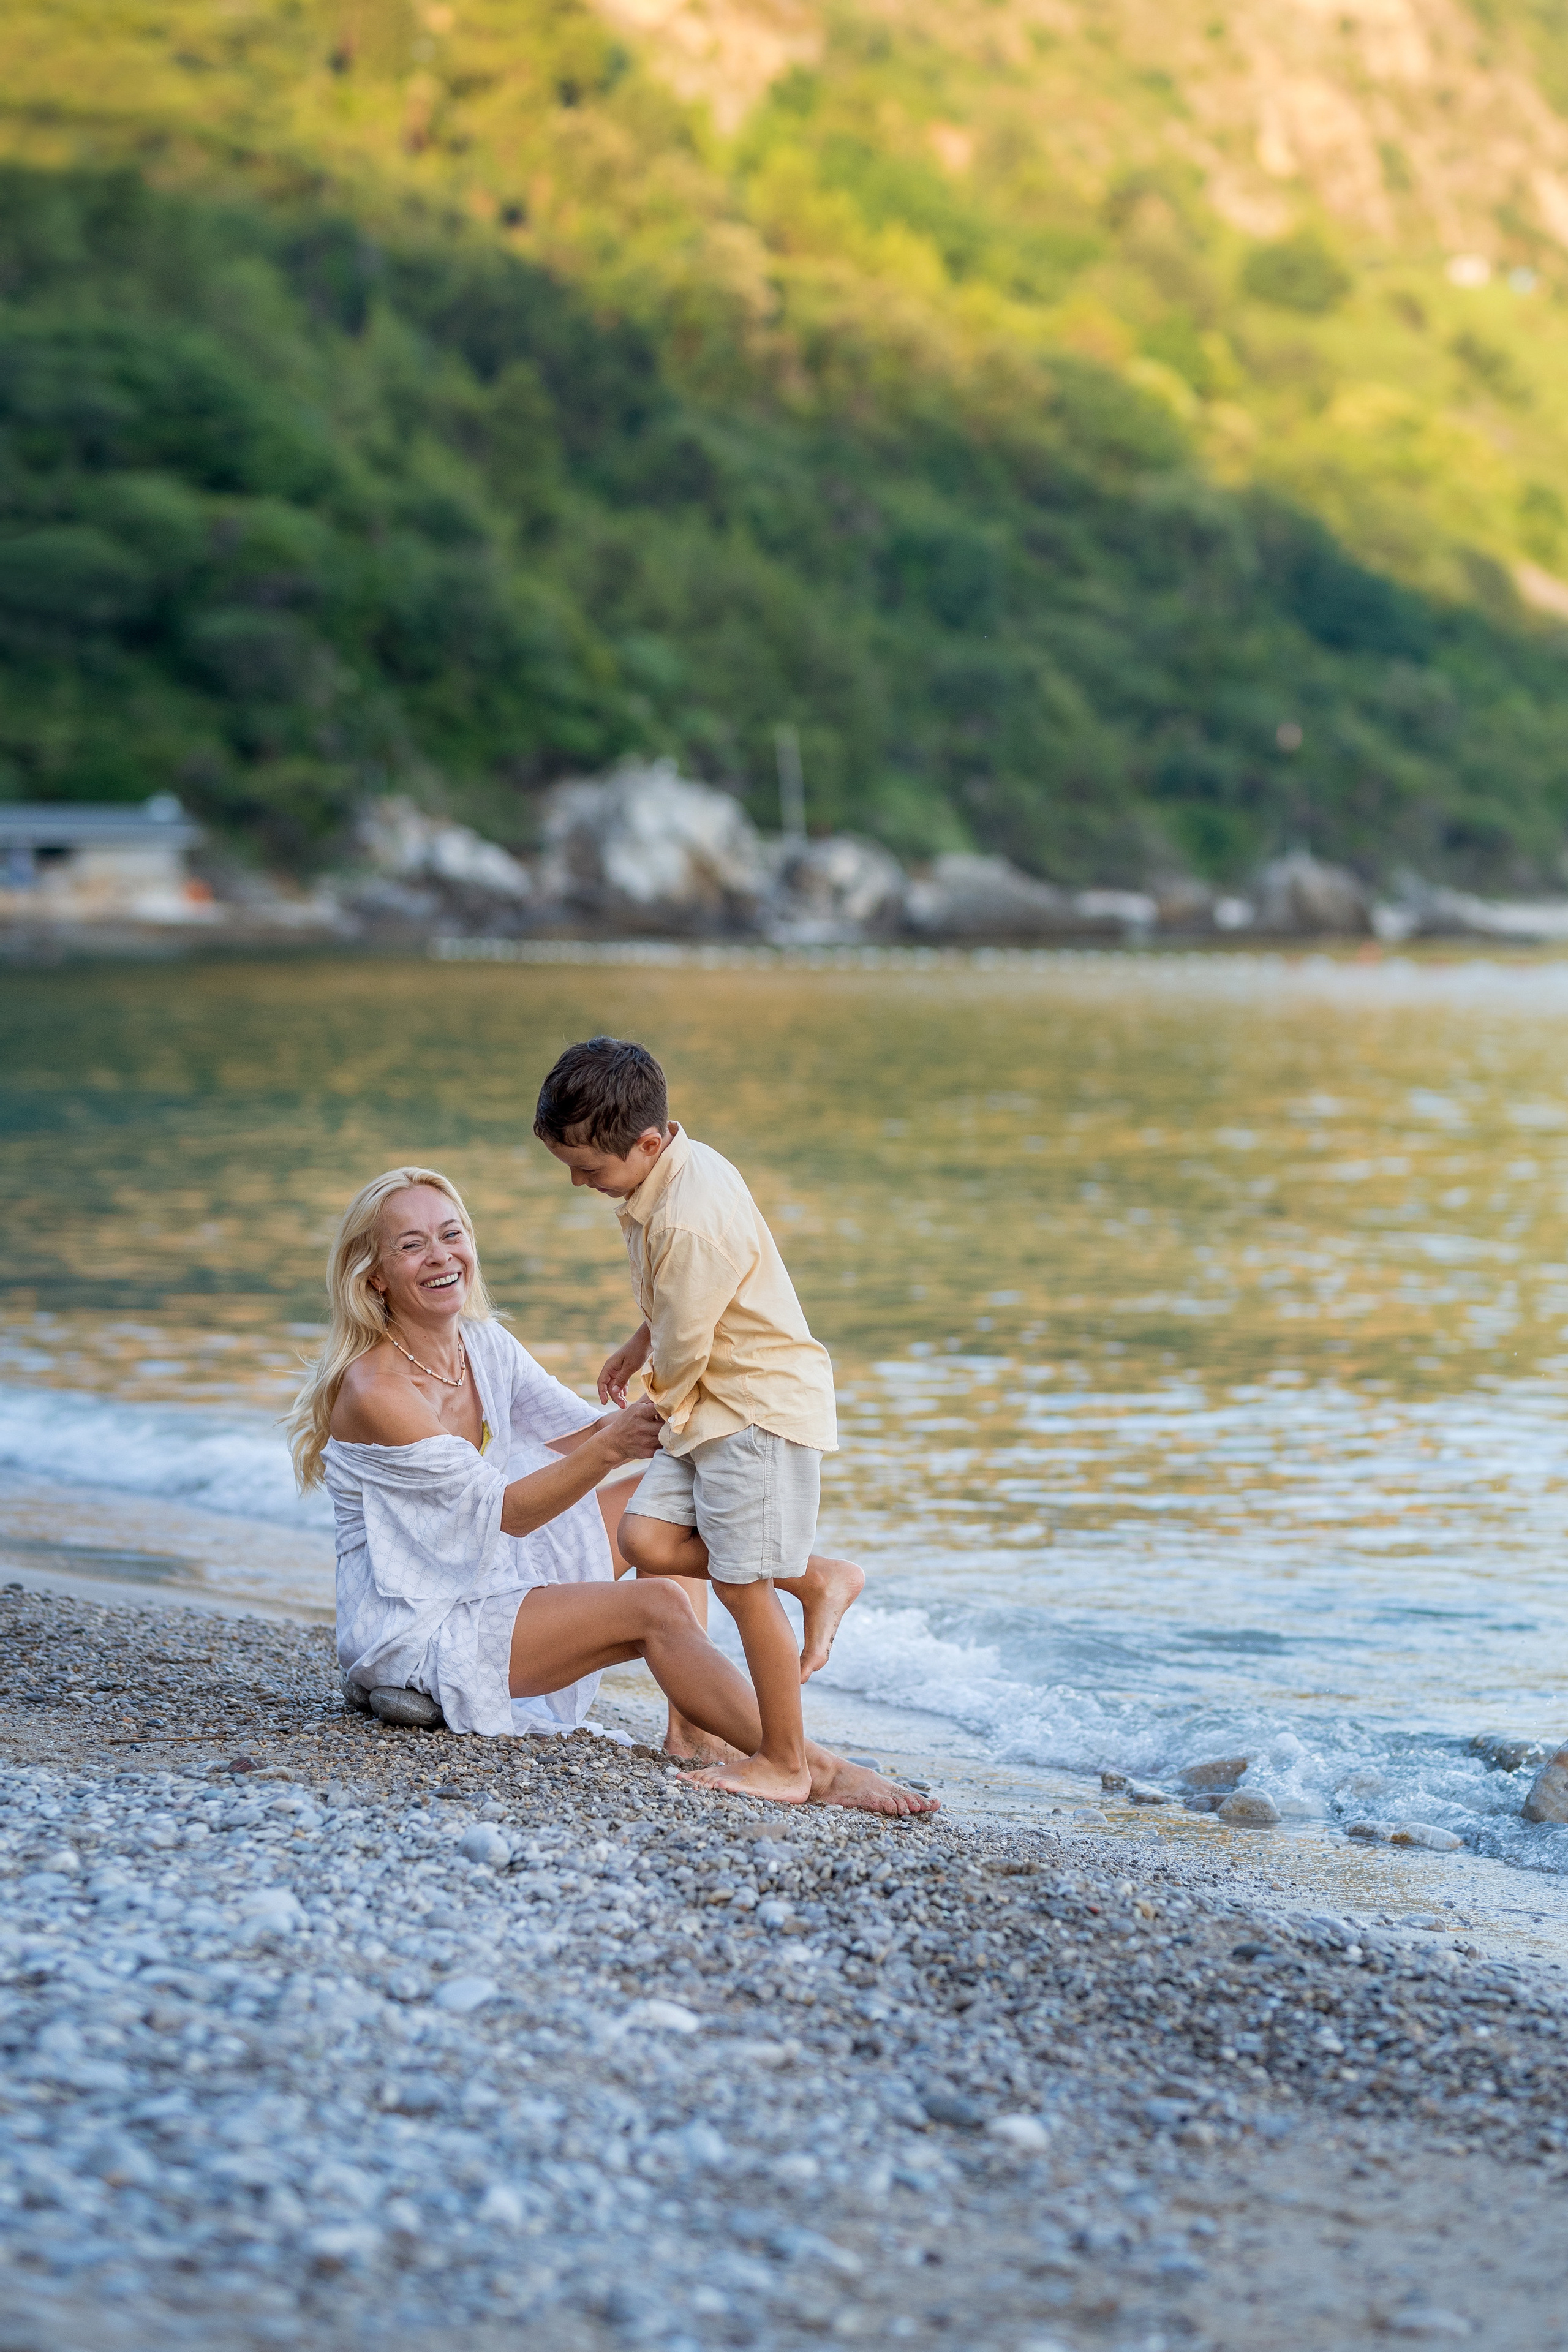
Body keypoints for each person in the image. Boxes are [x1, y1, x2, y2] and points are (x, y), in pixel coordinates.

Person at [287, 1164, 934, 1815]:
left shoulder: (481, 1344)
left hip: (490, 1572)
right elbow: (507, 1514)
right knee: (656, 1607)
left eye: (450, 1233)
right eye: (411, 1245)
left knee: (664, 1502)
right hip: (421, 1624)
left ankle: (695, 1731)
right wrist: (614, 1443)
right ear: (374, 1275)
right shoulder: (377, 1392)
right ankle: (821, 1770)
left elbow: (584, 1434)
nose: (441, 1256)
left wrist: (687, 1382)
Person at [533, 1037, 862, 1806]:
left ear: (648, 1142)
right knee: (644, 1540)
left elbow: (687, 1344)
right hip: (710, 1402)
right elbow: (681, 1305)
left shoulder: (688, 1217)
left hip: (753, 1410)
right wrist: (635, 1341)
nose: (581, 1181)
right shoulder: (668, 1170)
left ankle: (784, 1758)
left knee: (744, 1586)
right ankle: (816, 1577)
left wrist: (648, 1408)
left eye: (589, 1167)